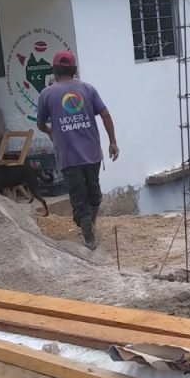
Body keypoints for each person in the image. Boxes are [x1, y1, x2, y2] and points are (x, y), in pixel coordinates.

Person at [36, 50, 119, 250]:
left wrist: (51, 132)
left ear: (55, 72)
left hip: (67, 156)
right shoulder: (88, 89)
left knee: (78, 195)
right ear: (74, 70)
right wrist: (113, 142)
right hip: (92, 154)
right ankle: (89, 226)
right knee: (94, 194)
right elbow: (105, 115)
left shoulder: (47, 94)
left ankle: (87, 231)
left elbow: (40, 123)